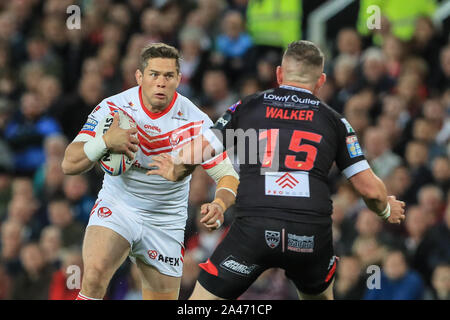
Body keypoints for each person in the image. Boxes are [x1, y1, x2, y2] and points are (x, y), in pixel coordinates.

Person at [150, 40, 406, 300]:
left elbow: (197, 153)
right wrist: (385, 209)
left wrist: (175, 170)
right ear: (321, 81)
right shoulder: (336, 121)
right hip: (309, 234)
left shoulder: (248, 106)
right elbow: (371, 191)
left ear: (279, 74)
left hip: (254, 230)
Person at [61, 43, 239, 300]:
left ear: (179, 78)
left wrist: (220, 204)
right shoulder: (113, 109)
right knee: (95, 273)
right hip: (119, 206)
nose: (161, 82)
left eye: (168, 76)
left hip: (165, 221)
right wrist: (106, 142)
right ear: (139, 76)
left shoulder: (196, 121)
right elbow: (69, 163)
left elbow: (228, 175)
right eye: (154, 74)